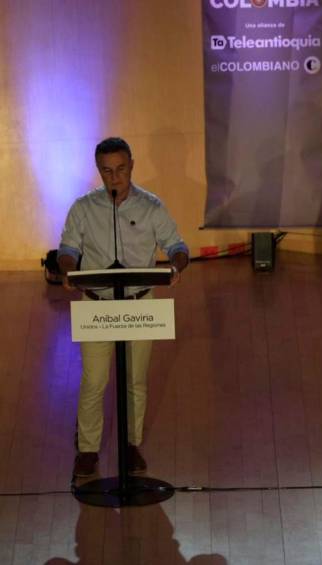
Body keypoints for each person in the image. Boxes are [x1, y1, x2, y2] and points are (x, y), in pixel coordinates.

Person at [57, 137, 189, 477]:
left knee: (135, 381)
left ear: (132, 165)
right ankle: (87, 450)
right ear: (98, 171)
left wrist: (176, 265)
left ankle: (131, 446)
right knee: (94, 380)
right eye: (106, 171)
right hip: (97, 304)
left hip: (138, 304)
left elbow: (177, 245)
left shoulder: (151, 207)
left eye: (120, 169)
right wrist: (67, 270)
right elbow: (68, 249)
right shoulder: (83, 208)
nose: (114, 178)